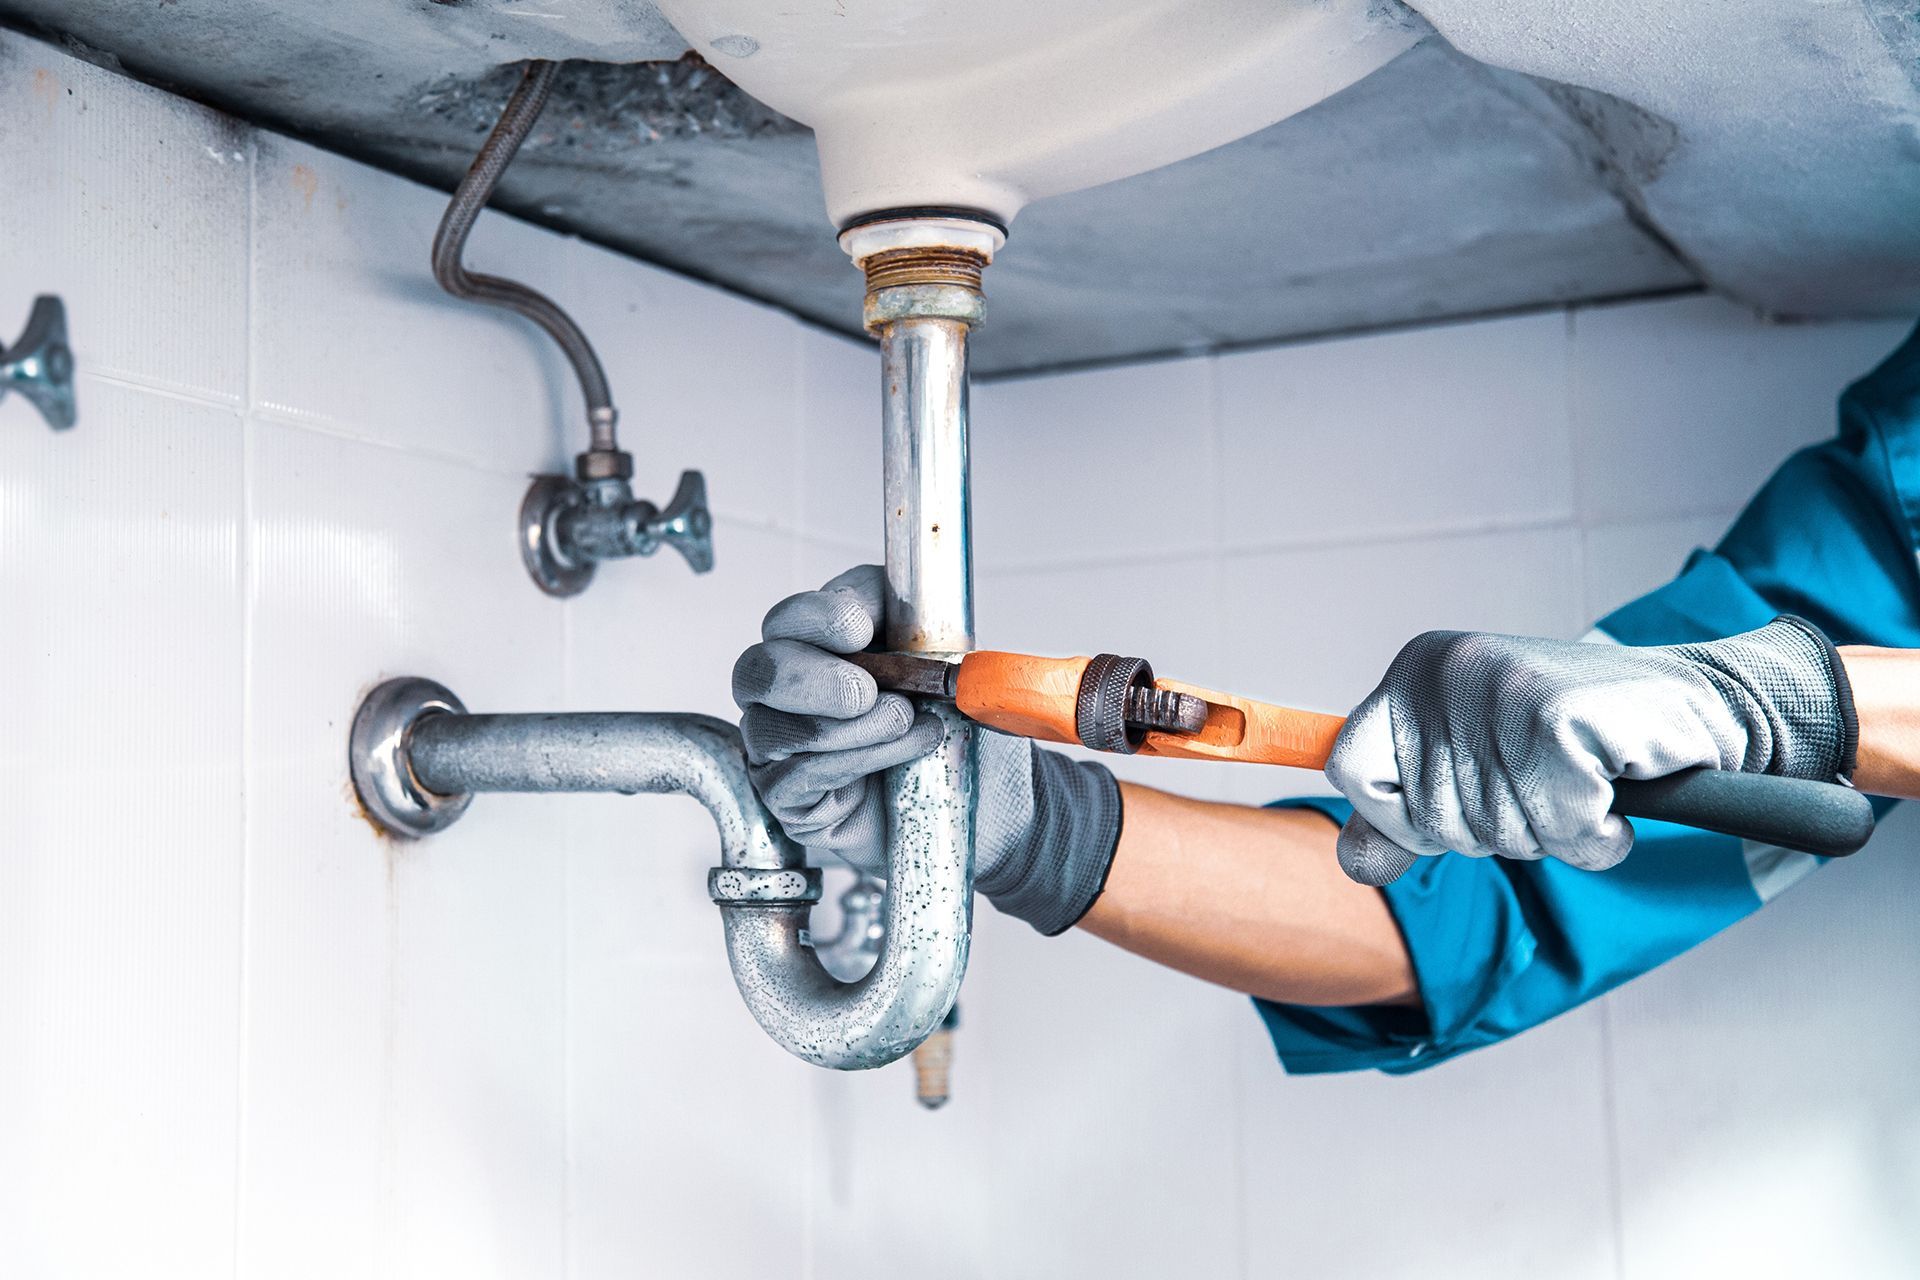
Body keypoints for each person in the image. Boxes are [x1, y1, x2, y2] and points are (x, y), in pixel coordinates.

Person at [732, 320, 1920, 1074]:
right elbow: (1476, 905)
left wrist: (1809, 704)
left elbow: (1796, 707)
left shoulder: (1790, 664)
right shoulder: (1891, 489)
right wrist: (1024, 825)